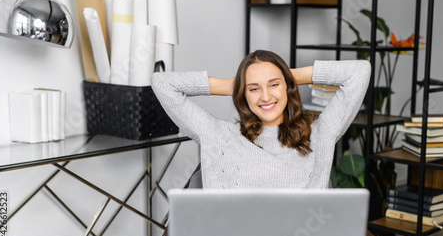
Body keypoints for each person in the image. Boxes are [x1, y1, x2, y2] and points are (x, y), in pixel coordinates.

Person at [151, 50, 370, 189]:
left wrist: (290, 75)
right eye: (254, 88)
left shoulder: (321, 133)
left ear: (288, 86)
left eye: (274, 85)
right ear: (243, 95)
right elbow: (161, 83)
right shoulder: (218, 135)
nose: (266, 97)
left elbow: (360, 72)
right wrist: (229, 85)